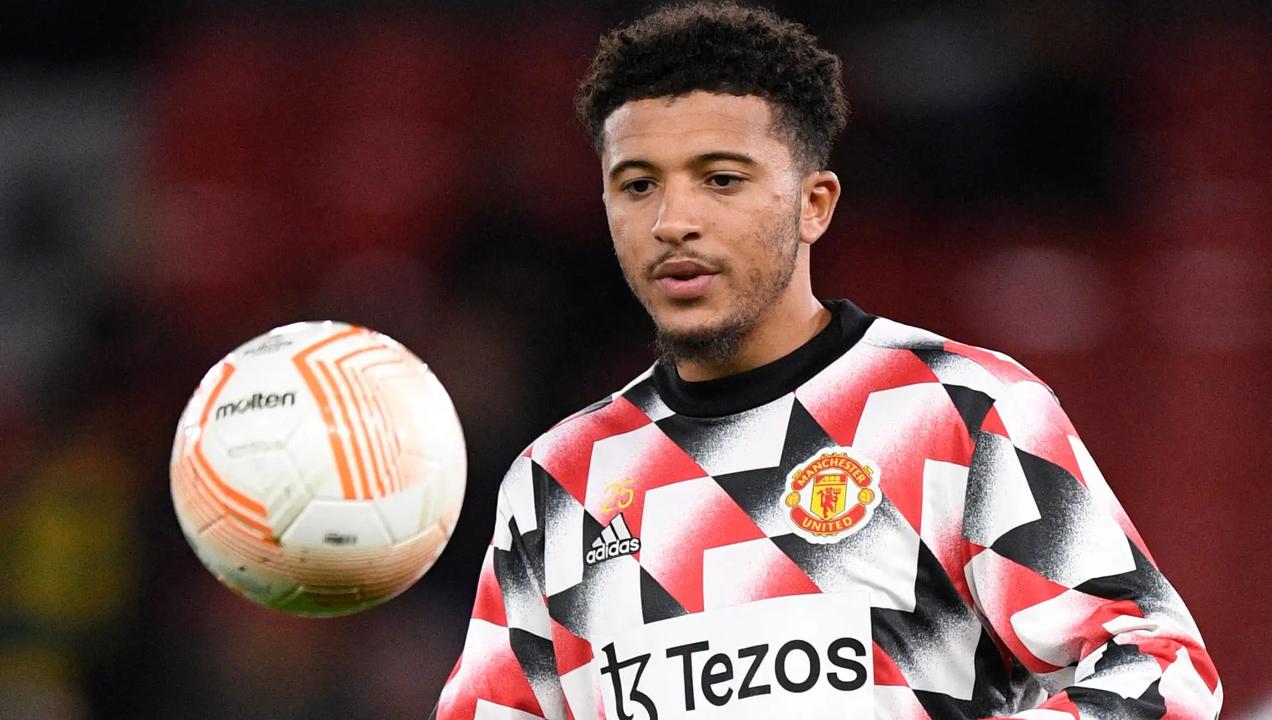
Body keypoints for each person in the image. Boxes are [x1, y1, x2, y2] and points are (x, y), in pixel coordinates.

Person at [432, 3, 1222, 718]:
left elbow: (1161, 671)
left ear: (815, 204)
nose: (673, 220)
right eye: (637, 185)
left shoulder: (956, 410)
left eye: (721, 179)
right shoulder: (557, 480)